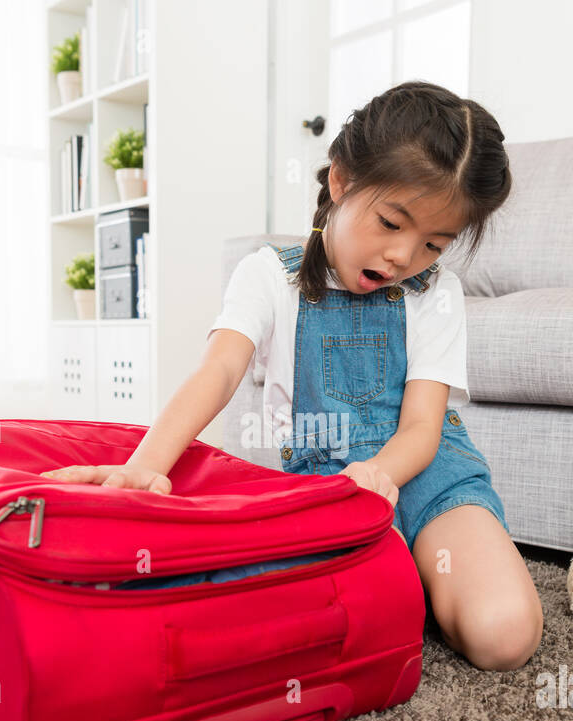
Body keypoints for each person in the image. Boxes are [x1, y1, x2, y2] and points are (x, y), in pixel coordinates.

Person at [43, 81, 542, 671]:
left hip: (429, 478)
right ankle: (407, 573)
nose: (405, 257)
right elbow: (221, 368)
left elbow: (423, 429)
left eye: (434, 243)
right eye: (390, 223)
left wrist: (376, 476)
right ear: (340, 181)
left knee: (504, 637)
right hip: (325, 488)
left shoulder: (436, 293)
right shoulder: (267, 276)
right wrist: (144, 465)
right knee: (274, 628)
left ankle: (418, 561)